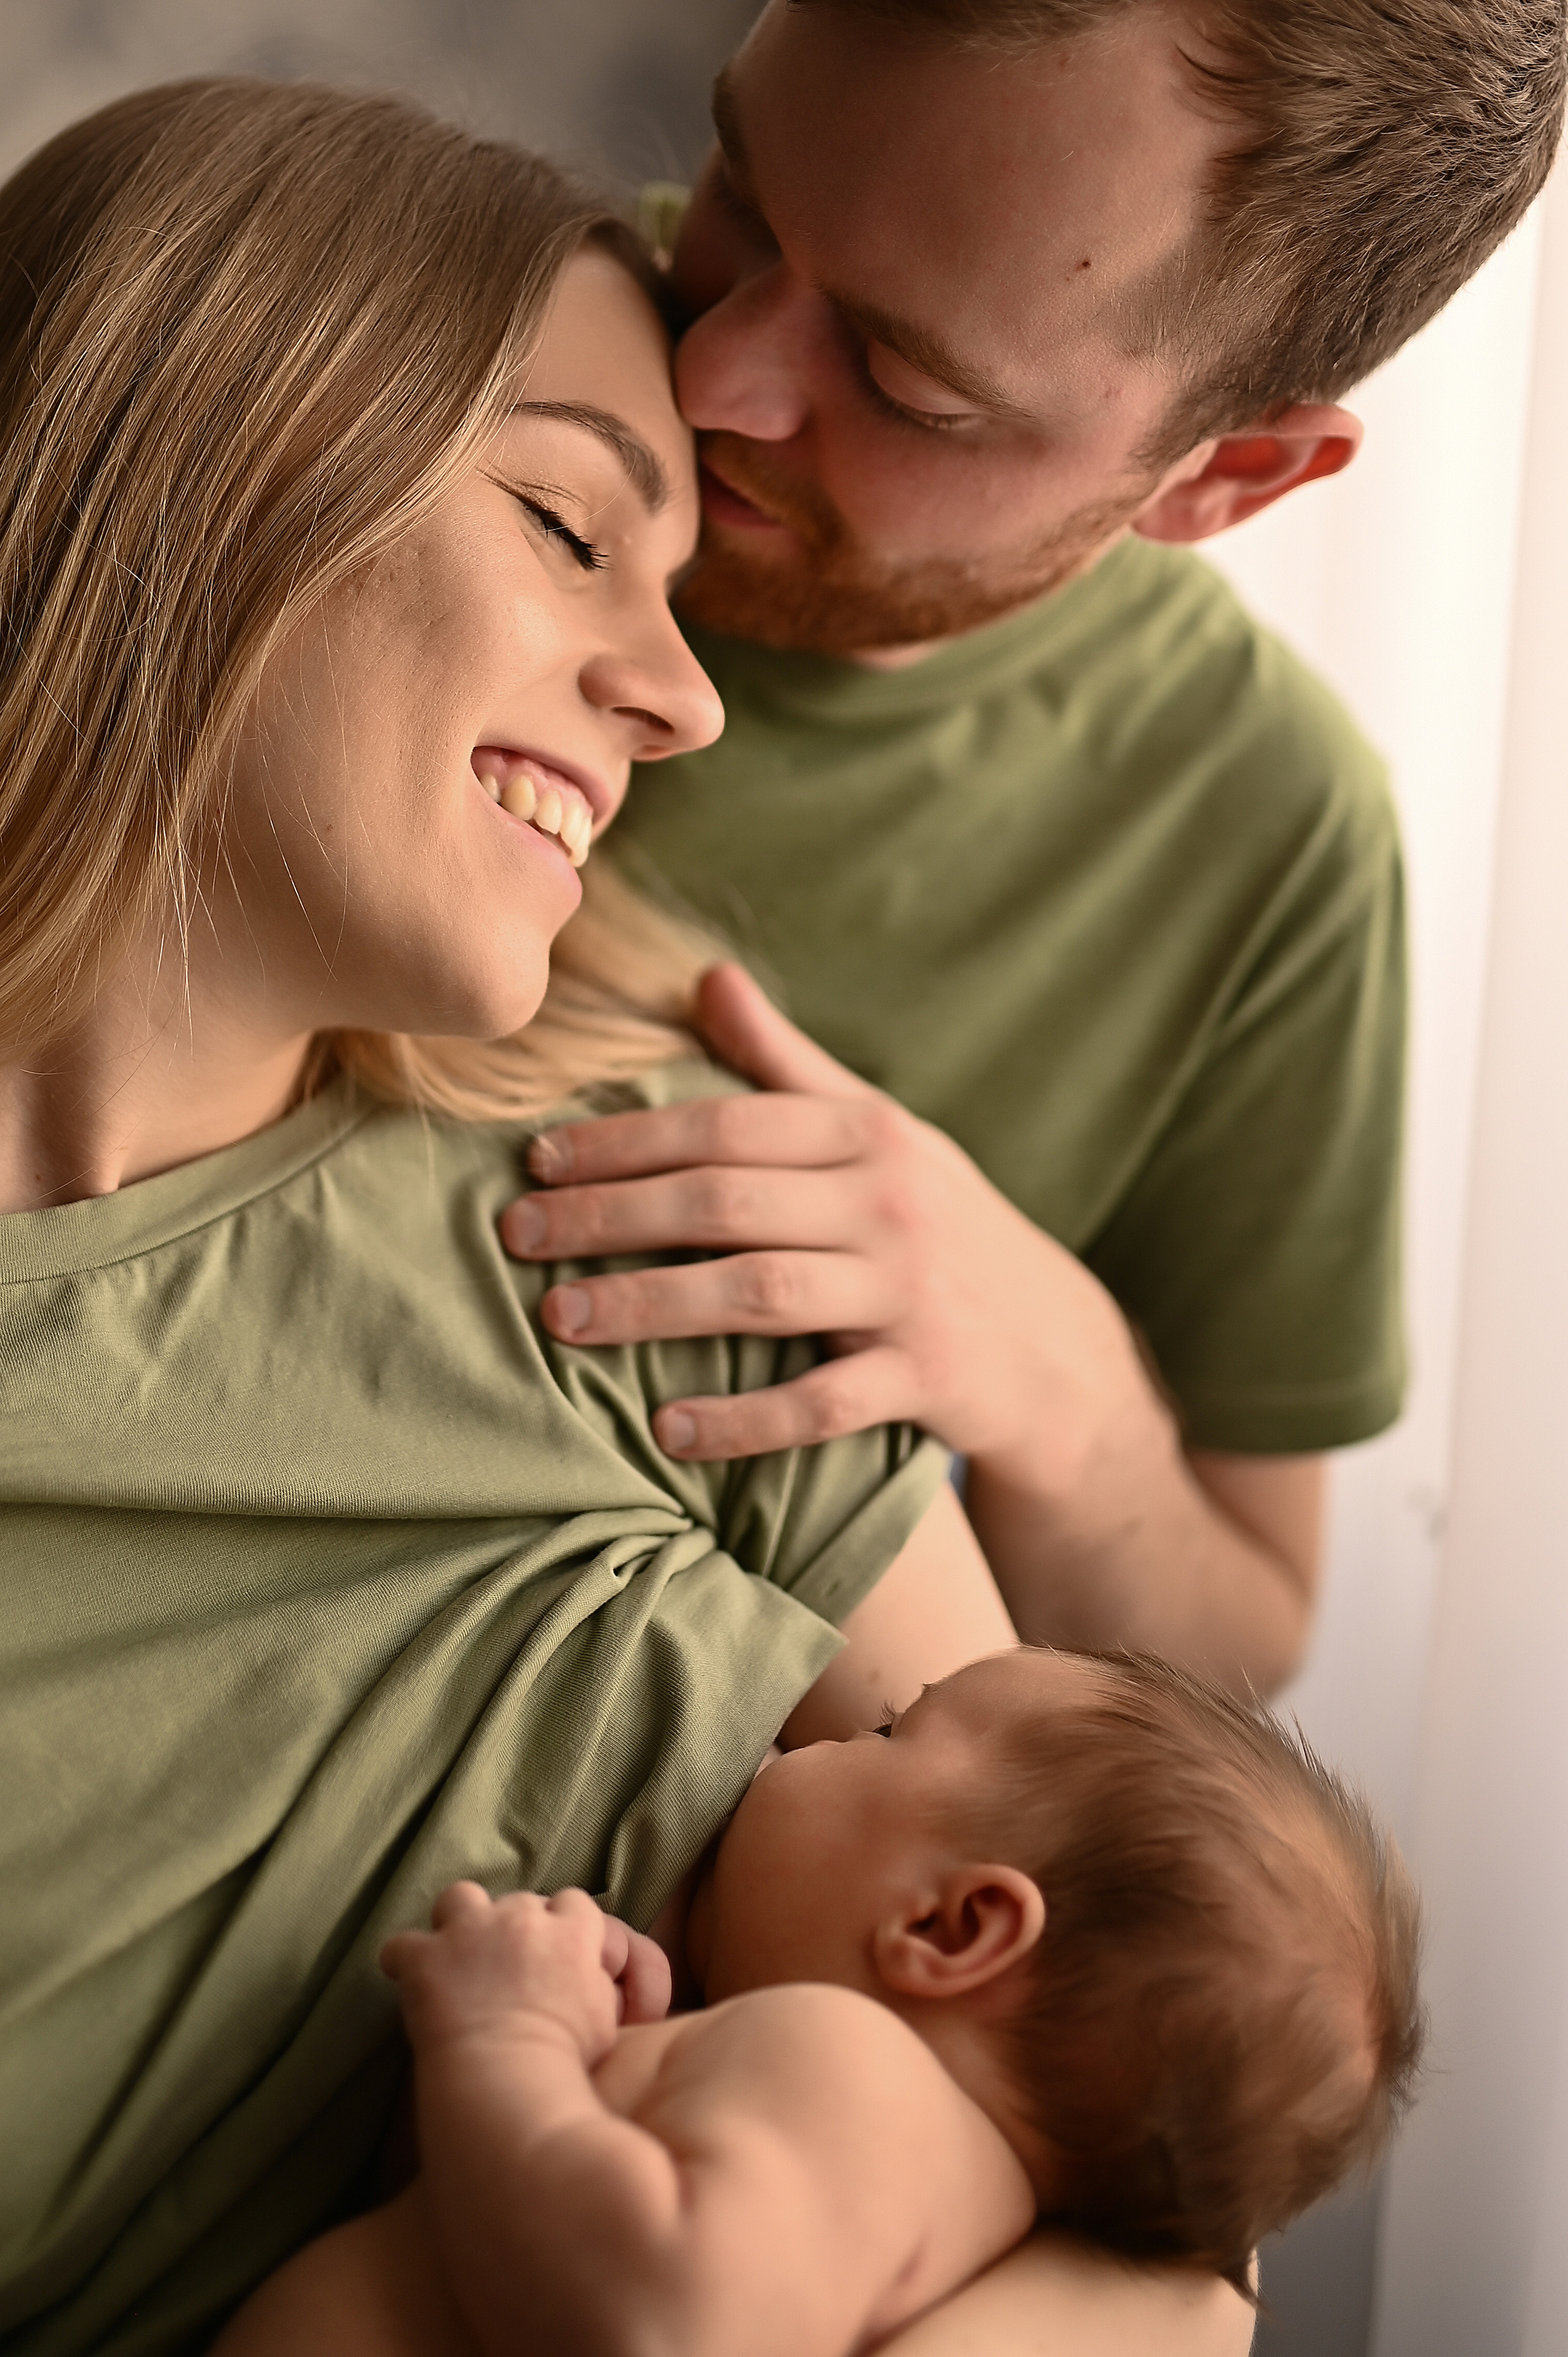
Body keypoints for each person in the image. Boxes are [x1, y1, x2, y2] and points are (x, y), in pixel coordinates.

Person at [0, 77, 1249, 2357]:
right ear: (197, 439)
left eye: (681, 587)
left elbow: (1152, 2085)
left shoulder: (654, 1210)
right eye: (574, 533)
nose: (681, 699)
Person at [496, 0, 1568, 1700]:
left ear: (1233, 475)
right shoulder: (412, 355)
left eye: (909, 385)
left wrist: (1050, 1373)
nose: (715, 374)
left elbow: (1235, 1645)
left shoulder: (1268, 840)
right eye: (741, 194)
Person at [213, 1648, 1423, 2357]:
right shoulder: (945, 2192)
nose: (809, 1738)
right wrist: (619, 2060)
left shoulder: (856, 2068)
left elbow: (661, 2317)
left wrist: (508, 2037)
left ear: (946, 1928)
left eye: (891, 1731)